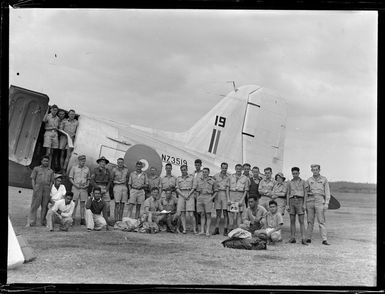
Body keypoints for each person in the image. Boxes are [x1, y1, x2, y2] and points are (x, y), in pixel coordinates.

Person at [306, 164, 331, 245]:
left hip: (320, 200)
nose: (315, 171)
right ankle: (308, 238)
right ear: (311, 170)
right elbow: (306, 192)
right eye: (313, 170)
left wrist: (326, 203)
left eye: (316, 169)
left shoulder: (324, 180)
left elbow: (327, 192)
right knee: (310, 221)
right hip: (310, 200)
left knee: (321, 221)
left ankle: (324, 239)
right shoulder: (309, 180)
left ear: (319, 170)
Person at [27, 155, 54, 227]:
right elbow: (33, 179)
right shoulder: (36, 169)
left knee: (44, 206)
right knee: (34, 205)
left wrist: (49, 189)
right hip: (38, 188)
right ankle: (31, 222)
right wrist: (34, 188)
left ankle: (42, 222)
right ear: (41, 161)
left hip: (46, 189)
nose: (46, 162)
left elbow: (52, 181)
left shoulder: (51, 171)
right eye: (44, 161)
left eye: (47, 161)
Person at [287, 167, 308, 245]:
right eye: (293, 173)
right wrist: (287, 205)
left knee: (301, 221)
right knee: (292, 221)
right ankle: (292, 238)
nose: (295, 175)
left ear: (299, 173)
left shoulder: (303, 182)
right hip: (292, 201)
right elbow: (288, 193)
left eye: (296, 173)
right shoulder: (289, 182)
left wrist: (304, 204)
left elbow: (306, 194)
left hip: (300, 201)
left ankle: (303, 238)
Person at [195, 167, 218, 236]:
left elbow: (216, 191)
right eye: (203, 172)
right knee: (202, 214)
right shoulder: (199, 180)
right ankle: (202, 230)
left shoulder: (212, 181)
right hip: (200, 197)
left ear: (208, 173)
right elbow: (197, 190)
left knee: (208, 215)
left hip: (208, 197)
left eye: (206, 172)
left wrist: (211, 198)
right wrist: (197, 198)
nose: (205, 173)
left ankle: (207, 231)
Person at [69, 155, 90, 225]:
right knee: (74, 203)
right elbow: (70, 178)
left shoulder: (87, 169)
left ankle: (82, 218)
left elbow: (88, 179)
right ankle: (72, 218)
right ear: (79, 161)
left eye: (84, 161)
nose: (83, 162)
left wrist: (87, 184)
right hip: (75, 187)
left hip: (83, 188)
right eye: (81, 161)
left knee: (83, 204)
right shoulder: (74, 168)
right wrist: (75, 185)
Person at [227, 164, 249, 230]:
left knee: (239, 213)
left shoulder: (245, 178)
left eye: (240, 168)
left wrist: (242, 200)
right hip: (232, 195)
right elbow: (227, 188)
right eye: (237, 168)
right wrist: (228, 199)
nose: (238, 170)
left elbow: (246, 190)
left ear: (242, 169)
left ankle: (238, 229)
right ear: (235, 168)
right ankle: (231, 229)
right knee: (231, 213)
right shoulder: (230, 177)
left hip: (240, 195)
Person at [176, 164, 196, 234]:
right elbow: (177, 188)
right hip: (181, 194)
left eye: (184, 170)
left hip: (189, 194)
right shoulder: (178, 178)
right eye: (182, 170)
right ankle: (184, 229)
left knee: (191, 213)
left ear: (187, 170)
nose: (183, 171)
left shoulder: (191, 177)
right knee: (182, 213)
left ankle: (194, 229)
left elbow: (194, 187)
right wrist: (183, 195)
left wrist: (188, 194)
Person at [91, 156, 112, 221]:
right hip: (97, 187)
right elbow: (92, 180)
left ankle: (107, 219)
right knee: (94, 203)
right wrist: (97, 188)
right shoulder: (95, 170)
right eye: (101, 162)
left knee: (107, 204)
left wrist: (107, 189)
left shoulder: (108, 171)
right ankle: (93, 219)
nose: (103, 163)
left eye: (104, 162)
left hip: (105, 187)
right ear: (99, 163)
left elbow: (110, 180)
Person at [212, 162, 230, 236]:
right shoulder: (215, 176)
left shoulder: (229, 176)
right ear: (221, 167)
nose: (224, 169)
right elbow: (211, 184)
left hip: (225, 194)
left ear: (227, 168)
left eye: (225, 168)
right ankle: (217, 228)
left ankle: (225, 229)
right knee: (218, 213)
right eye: (223, 168)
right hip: (218, 194)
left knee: (226, 213)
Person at [42, 105, 60, 169]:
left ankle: (48, 166)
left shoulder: (57, 118)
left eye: (56, 110)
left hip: (55, 134)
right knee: (48, 151)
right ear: (51, 110)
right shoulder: (48, 116)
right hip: (48, 132)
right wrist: (47, 111)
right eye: (53, 110)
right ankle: (44, 166)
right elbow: (43, 120)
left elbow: (58, 126)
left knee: (52, 151)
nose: (55, 111)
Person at [193, 159, 203, 229]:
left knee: (201, 208)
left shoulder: (203, 173)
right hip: (194, 192)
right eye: (196, 165)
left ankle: (201, 223)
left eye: (198, 165)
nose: (197, 166)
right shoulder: (193, 173)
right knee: (195, 208)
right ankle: (196, 223)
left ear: (201, 165)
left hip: (201, 192)